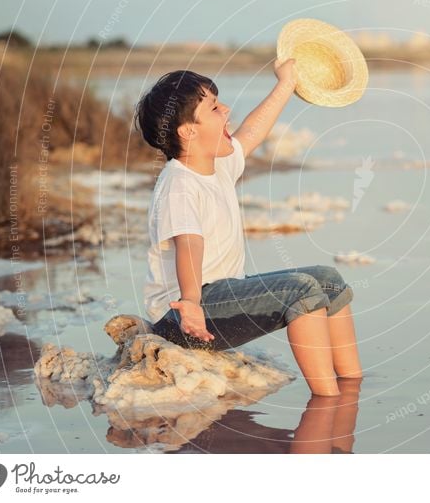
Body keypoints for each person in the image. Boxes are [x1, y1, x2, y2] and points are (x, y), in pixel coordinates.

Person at [133, 63, 362, 396]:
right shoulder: (179, 183)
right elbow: (189, 245)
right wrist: (192, 304)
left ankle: (353, 385)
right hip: (182, 316)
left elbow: (253, 132)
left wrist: (287, 83)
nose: (225, 109)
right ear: (188, 131)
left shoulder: (216, 166)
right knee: (301, 290)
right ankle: (328, 401)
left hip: (218, 294)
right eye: (213, 107)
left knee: (328, 280)